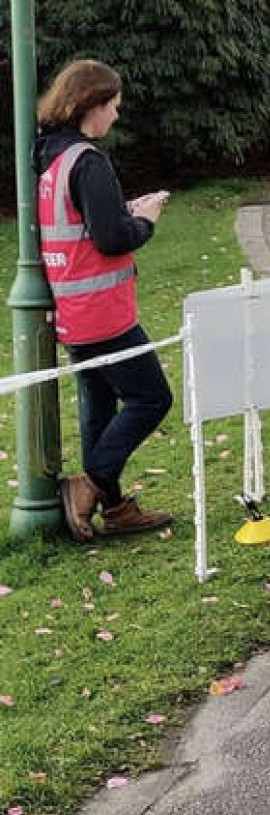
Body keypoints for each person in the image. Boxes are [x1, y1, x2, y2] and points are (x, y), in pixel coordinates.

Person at [35, 59, 173, 543]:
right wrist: (148, 220)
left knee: (98, 405)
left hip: (74, 313)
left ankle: (113, 508)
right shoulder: (89, 160)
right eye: (112, 105)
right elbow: (112, 239)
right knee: (153, 397)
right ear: (90, 106)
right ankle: (89, 484)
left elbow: (85, 225)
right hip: (103, 314)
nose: (116, 115)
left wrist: (127, 208)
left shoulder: (53, 159)